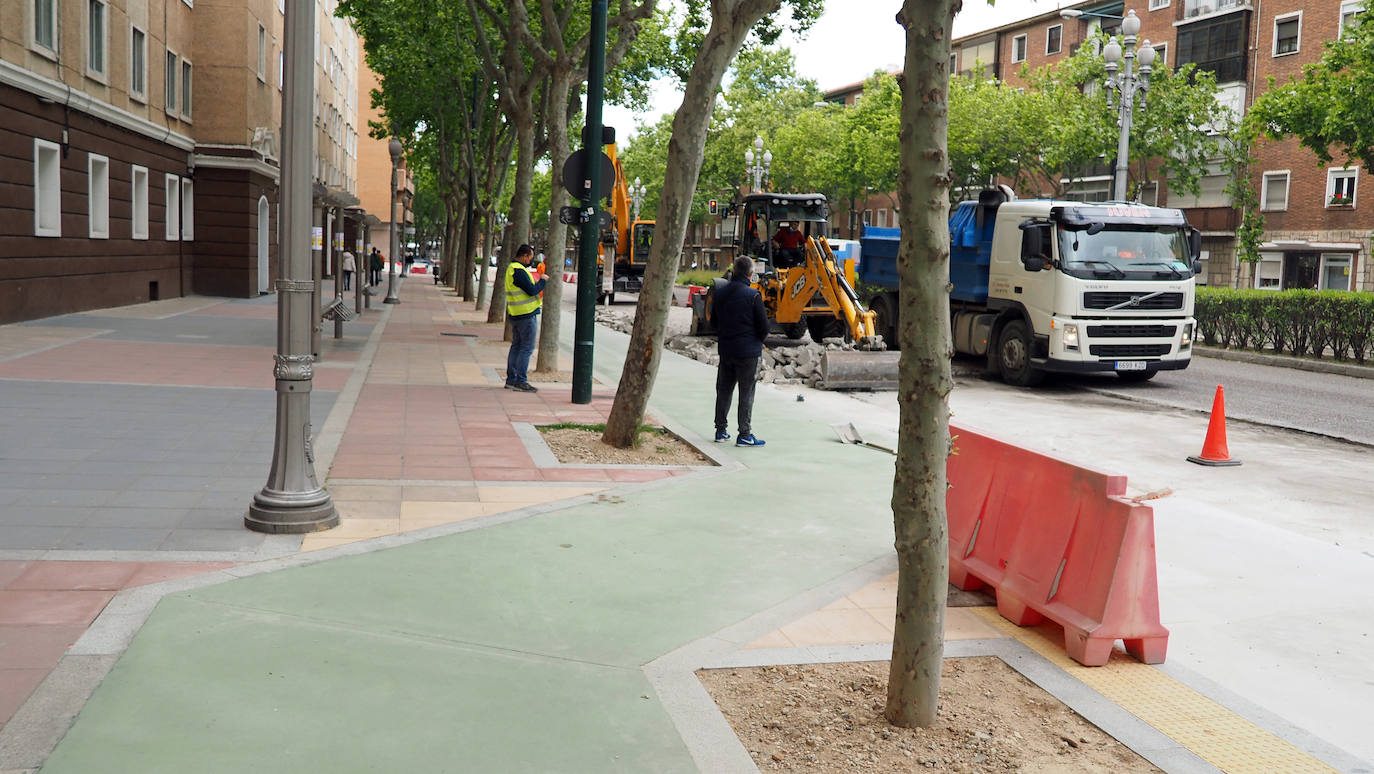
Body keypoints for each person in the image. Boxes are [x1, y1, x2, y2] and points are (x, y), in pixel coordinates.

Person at [713, 255, 769, 447]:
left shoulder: (720, 293)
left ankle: (720, 430)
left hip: (726, 350)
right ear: (751, 274)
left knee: (723, 390)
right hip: (748, 353)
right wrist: (756, 341)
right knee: (746, 392)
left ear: (734, 271)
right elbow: (764, 327)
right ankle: (744, 434)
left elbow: (713, 322)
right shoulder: (753, 295)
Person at [504, 243, 546, 393]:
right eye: (530, 257)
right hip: (526, 314)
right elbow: (532, 290)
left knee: (516, 346)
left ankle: (511, 380)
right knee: (526, 348)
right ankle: (520, 381)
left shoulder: (511, 269)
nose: (531, 261)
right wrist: (543, 280)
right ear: (525, 256)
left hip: (516, 313)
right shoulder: (519, 271)